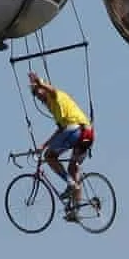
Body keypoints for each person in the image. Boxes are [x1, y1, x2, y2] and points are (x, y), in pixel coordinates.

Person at [28, 71, 93, 218]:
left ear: (44, 88)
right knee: (73, 168)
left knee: (49, 157)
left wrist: (39, 83)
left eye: (38, 92)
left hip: (77, 130)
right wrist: (43, 144)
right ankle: (76, 211)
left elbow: (52, 90)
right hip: (87, 134)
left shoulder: (55, 95)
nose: (38, 97)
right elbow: (60, 130)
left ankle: (70, 184)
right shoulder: (53, 108)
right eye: (35, 95)